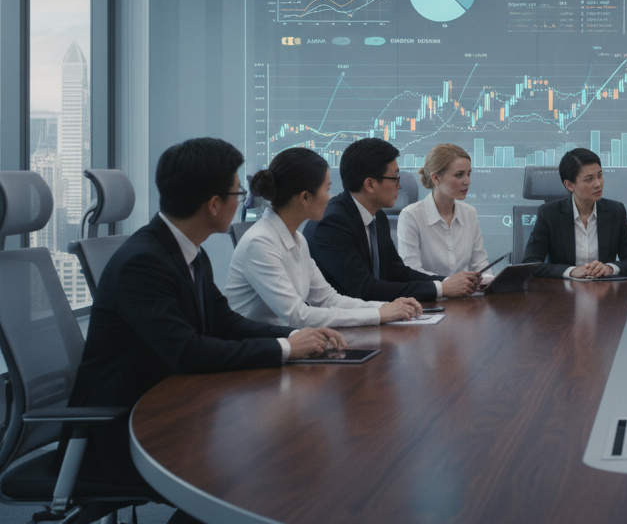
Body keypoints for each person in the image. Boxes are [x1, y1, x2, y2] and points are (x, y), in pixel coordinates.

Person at [65, 138, 346, 496]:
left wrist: (293, 338)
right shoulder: (144, 262)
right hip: (126, 430)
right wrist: (285, 349)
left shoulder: (187, 251)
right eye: (237, 192)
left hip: (175, 407)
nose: (242, 199)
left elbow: (224, 321)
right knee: (265, 471)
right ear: (214, 205)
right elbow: (187, 351)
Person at [227, 147, 423, 328]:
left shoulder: (297, 239)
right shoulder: (259, 243)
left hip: (288, 344)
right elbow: (298, 315)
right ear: (305, 198)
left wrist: (383, 308)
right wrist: (379, 314)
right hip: (264, 353)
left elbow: (328, 299)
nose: (330, 198)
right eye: (327, 189)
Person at [308, 137, 480, 301]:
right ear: (370, 184)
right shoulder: (333, 224)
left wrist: (447, 282)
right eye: (394, 178)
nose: (399, 185)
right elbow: (365, 289)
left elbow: (397, 272)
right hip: (334, 325)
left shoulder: (377, 217)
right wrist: (441, 289)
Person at [522, 147, 627, 278]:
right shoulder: (549, 213)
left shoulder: (615, 211)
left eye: (600, 176)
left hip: (604, 291)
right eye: (589, 179)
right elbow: (531, 264)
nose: (598, 184)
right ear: (569, 185)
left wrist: (609, 268)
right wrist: (572, 271)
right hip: (562, 294)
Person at [397, 143, 492, 282]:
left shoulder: (469, 213)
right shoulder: (411, 216)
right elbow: (412, 271)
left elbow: (480, 263)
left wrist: (489, 280)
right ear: (436, 178)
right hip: (429, 298)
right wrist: (451, 284)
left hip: (465, 298)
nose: (467, 181)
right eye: (459, 175)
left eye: (468, 174)